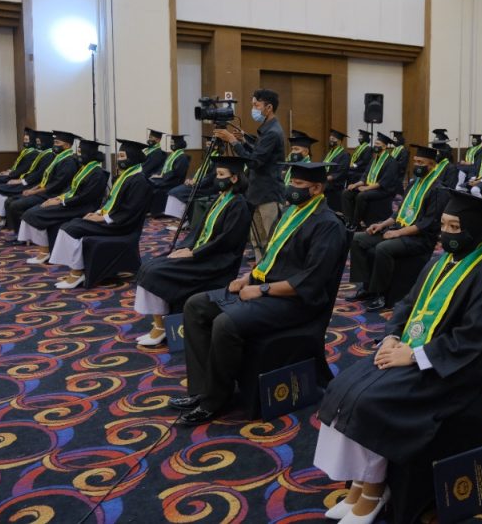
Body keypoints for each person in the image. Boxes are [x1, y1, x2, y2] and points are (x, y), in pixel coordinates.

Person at [313, 191, 482, 524]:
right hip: (410, 352)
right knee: (343, 387)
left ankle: (375, 491)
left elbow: (473, 339)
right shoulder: (438, 263)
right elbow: (407, 304)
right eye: (444, 225)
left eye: (455, 227)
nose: (446, 233)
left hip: (453, 371)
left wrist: (417, 355)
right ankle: (360, 481)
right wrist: (393, 336)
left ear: (476, 230)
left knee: (373, 402)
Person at [168, 161, 347, 426]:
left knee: (225, 323)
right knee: (196, 305)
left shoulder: (327, 225)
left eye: (299, 184)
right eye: (291, 181)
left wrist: (262, 289)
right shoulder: (292, 213)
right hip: (266, 288)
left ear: (317, 189)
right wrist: (247, 278)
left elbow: (311, 281)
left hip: (296, 301)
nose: (291, 188)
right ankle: (202, 389)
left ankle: (214, 401)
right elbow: (271, 259)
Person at [133, 156, 253, 347]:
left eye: (221, 174)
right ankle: (161, 320)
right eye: (217, 174)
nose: (217, 178)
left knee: (155, 273)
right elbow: (198, 230)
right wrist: (185, 247)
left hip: (216, 261)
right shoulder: (221, 198)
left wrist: (194, 254)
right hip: (202, 253)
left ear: (234, 178)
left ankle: (161, 328)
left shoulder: (239, 205)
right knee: (149, 266)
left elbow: (226, 241)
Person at [349, 145, 449, 312]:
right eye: (415, 161)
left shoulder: (438, 190)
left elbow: (427, 224)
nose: (416, 165)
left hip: (419, 238)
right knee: (357, 239)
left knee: (382, 248)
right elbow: (400, 212)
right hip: (399, 229)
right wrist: (382, 224)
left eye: (421, 163)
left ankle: (381, 294)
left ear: (432, 165)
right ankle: (366, 286)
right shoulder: (413, 184)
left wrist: (397, 233)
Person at [47, 139, 153, 289]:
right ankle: (77, 269)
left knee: (70, 229)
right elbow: (111, 202)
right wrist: (97, 213)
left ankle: (77, 273)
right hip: (114, 220)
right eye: (119, 156)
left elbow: (130, 211)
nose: (119, 160)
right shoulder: (126, 176)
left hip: (123, 226)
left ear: (133, 157)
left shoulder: (139, 181)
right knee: (70, 225)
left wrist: (102, 218)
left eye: (122, 156)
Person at [213, 89, 285, 258]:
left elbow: (254, 162)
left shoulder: (273, 132)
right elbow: (259, 154)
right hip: (257, 192)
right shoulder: (267, 129)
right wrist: (243, 142)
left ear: (269, 107)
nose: (253, 109)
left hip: (268, 193)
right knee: (257, 239)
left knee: (271, 239)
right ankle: (260, 268)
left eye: (256, 105)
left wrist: (232, 141)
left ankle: (271, 271)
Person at [18, 140, 109, 265]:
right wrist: (58, 199)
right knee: (36, 211)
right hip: (72, 203)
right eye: (78, 151)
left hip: (82, 207)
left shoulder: (97, 173)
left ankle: (44, 252)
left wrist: (62, 202)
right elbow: (71, 189)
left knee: (35, 214)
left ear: (88, 154)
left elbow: (85, 197)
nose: (78, 155)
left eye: (80, 152)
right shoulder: (84, 169)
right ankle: (46, 251)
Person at [0, 131, 68, 231]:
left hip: (45, 190)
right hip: (38, 186)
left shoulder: (58, 158)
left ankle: (3, 223)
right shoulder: (49, 156)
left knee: (9, 198)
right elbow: (42, 176)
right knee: (6, 195)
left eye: (57, 142)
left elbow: (46, 179)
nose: (37, 144)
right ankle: (6, 225)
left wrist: (25, 183)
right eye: (37, 142)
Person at [1, 130, 80, 234]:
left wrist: (33, 192)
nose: (54, 145)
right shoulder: (58, 158)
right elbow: (46, 179)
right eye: (54, 142)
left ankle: (20, 234)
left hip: (52, 194)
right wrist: (33, 188)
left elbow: (56, 185)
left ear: (67, 145)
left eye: (57, 143)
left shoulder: (69, 162)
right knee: (10, 200)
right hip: (44, 192)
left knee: (15, 205)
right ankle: (14, 229)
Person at [0, 126, 39, 219]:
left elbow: (24, 169)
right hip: (14, 173)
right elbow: (18, 166)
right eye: (24, 140)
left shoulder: (34, 153)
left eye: (27, 140)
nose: (25, 142)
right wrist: (9, 170)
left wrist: (10, 174)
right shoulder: (26, 151)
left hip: (18, 177)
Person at [343, 132, 401, 230]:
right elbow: (365, 175)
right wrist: (356, 184)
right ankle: (348, 221)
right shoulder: (374, 160)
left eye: (378, 144)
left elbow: (383, 182)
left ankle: (356, 223)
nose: (375, 145)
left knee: (361, 195)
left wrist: (366, 188)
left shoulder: (391, 162)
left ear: (384, 146)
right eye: (375, 143)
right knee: (347, 192)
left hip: (383, 190)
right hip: (371, 187)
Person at [148, 134, 191, 216]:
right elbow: (163, 167)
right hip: (167, 178)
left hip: (173, 181)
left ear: (179, 144)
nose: (171, 145)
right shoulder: (172, 155)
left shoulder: (182, 157)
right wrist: (158, 174)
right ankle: (149, 210)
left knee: (156, 186)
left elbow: (176, 172)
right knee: (150, 181)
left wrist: (162, 176)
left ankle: (158, 212)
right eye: (171, 143)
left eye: (173, 143)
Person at [322, 129, 352, 210]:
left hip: (336, 184)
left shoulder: (344, 155)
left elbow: (342, 172)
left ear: (340, 141)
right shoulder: (330, 153)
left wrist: (327, 178)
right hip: (326, 181)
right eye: (330, 138)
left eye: (334, 139)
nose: (331, 140)